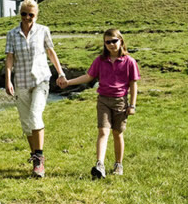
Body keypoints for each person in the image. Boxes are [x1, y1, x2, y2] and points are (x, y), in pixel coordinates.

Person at [60, 28, 139, 179]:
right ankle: (99, 164)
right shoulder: (100, 60)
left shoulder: (130, 62)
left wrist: (132, 105)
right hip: (103, 100)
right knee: (103, 132)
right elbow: (89, 76)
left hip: (120, 102)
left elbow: (133, 84)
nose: (111, 45)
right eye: (107, 42)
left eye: (114, 41)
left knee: (117, 133)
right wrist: (68, 83)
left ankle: (118, 164)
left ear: (121, 41)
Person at [4, 0, 67, 178]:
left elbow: (50, 52)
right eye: (24, 14)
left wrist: (60, 73)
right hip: (21, 81)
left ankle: (39, 160)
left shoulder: (43, 31)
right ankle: (36, 158)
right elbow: (9, 58)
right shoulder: (12, 34)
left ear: (36, 15)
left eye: (31, 14)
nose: (27, 18)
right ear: (20, 14)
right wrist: (8, 80)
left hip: (40, 79)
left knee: (34, 116)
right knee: (26, 124)